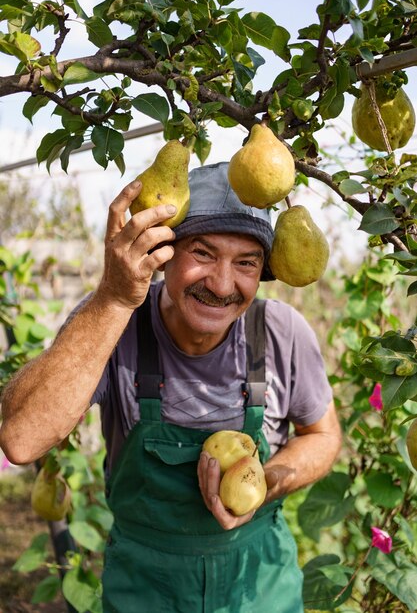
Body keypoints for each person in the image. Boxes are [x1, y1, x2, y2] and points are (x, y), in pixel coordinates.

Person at [0, 161, 342, 612]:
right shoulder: (113, 324)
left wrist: (269, 481)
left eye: (246, 263)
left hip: (259, 586)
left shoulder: (281, 331)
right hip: (147, 589)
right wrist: (114, 297)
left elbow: (323, 435)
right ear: (165, 252)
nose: (222, 285)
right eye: (202, 253)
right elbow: (21, 440)